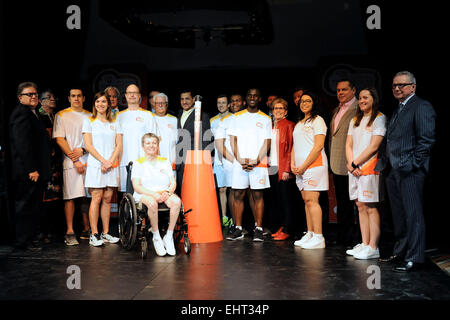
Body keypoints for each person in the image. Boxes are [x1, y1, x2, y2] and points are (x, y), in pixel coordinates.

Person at [377, 71, 436, 272]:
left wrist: (412, 164)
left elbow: (426, 140)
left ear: (413, 87)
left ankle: (415, 257)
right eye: (394, 85)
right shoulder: (399, 109)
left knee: (413, 214)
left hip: (409, 170)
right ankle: (401, 251)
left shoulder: (421, 106)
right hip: (393, 170)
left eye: (402, 85)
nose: (397, 88)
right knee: (399, 215)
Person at [345, 88, 386, 259]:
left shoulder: (379, 118)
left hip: (369, 168)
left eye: (365, 98)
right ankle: (364, 243)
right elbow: (348, 144)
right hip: (354, 170)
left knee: (370, 206)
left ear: (373, 99)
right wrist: (350, 164)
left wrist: (355, 162)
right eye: (360, 98)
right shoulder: (355, 120)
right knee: (360, 206)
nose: (361, 101)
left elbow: (374, 146)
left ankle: (373, 246)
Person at [9, 82, 51, 251]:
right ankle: (23, 241)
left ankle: (31, 238)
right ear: (20, 98)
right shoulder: (21, 113)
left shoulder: (33, 114)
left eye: (35, 93)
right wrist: (31, 169)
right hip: (27, 171)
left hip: (34, 170)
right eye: (29, 94)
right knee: (25, 206)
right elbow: (22, 144)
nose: (34, 96)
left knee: (33, 206)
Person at [226, 88, 271, 242]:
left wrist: (256, 160)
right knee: (238, 194)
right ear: (246, 99)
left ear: (259, 99)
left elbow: (267, 142)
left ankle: (258, 228)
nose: (252, 98)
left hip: (257, 163)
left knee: (257, 195)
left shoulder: (265, 118)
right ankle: (238, 229)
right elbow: (233, 140)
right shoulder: (237, 117)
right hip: (240, 163)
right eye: (249, 95)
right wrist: (239, 160)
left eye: (255, 96)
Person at [82, 92, 122, 247]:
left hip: (111, 166)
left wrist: (110, 162)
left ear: (108, 103)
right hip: (96, 165)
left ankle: (105, 233)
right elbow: (88, 145)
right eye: (98, 101)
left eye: (104, 101)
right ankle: (94, 234)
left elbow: (118, 145)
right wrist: (103, 161)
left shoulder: (115, 123)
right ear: (94, 103)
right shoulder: (89, 121)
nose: (101, 104)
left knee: (107, 199)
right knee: (97, 197)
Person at [131, 133, 182, 256]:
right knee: (152, 203)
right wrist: (153, 194)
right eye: (148, 143)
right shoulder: (138, 163)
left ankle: (168, 236)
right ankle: (156, 236)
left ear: (158, 145)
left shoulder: (165, 161)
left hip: (164, 192)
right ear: (143, 146)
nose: (151, 146)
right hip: (145, 193)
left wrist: (168, 192)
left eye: (154, 143)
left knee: (176, 202)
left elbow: (173, 182)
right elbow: (137, 186)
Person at [53, 87, 91, 246]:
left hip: (88, 159)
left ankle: (87, 229)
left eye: (79, 96)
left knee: (86, 196)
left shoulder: (90, 115)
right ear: (69, 98)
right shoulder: (61, 115)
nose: (76, 98)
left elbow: (93, 139)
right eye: (73, 96)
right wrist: (74, 159)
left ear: (83, 98)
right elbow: (60, 139)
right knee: (70, 196)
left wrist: (82, 151)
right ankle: (70, 231)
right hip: (70, 161)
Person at [292, 91, 329, 249]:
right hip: (300, 168)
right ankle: (310, 233)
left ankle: (319, 237)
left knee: (312, 201)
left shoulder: (318, 120)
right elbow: (295, 145)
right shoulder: (299, 123)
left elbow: (318, 145)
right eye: (302, 101)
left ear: (314, 103)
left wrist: (304, 165)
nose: (304, 104)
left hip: (314, 165)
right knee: (306, 201)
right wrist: (293, 164)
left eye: (308, 101)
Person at [329, 79, 359, 248]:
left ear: (353, 90)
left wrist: (354, 161)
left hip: (350, 163)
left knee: (351, 202)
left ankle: (350, 237)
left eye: (344, 90)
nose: (340, 92)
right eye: (338, 90)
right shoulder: (337, 109)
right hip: (336, 162)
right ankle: (342, 236)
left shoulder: (358, 109)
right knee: (342, 201)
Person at [117, 84, 159, 194]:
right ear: (125, 96)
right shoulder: (118, 116)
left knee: (142, 193)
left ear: (139, 96)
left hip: (143, 162)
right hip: (123, 161)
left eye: (134, 93)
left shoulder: (148, 115)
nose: (132, 95)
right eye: (129, 93)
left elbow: (154, 140)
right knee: (125, 194)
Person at [266, 98, 295, 241]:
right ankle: (278, 227)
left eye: (280, 108)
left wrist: (287, 169)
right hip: (271, 167)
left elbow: (290, 149)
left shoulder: (289, 125)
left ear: (286, 111)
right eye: (275, 108)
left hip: (283, 167)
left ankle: (287, 228)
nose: (277, 111)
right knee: (274, 199)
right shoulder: (269, 126)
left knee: (286, 200)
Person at [176, 89, 214, 193]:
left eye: (187, 99)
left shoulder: (202, 116)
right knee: (182, 190)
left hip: (195, 160)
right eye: (182, 99)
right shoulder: (178, 115)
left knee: (194, 191)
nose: (184, 102)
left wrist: (202, 160)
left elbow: (207, 140)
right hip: (180, 161)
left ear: (193, 100)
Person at [38, 90, 63, 242]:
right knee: (43, 199)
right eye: (49, 97)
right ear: (41, 101)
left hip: (56, 163)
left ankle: (53, 230)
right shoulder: (38, 116)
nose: (52, 99)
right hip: (43, 163)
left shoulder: (57, 116)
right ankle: (42, 231)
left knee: (55, 198)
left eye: (54, 97)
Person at [211, 94, 232, 227]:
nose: (221, 105)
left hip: (231, 159)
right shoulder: (212, 120)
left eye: (223, 103)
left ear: (228, 104)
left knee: (235, 189)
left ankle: (235, 218)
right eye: (219, 103)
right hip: (218, 160)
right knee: (222, 189)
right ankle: (224, 217)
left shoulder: (234, 118)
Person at [152, 93, 177, 177]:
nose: (160, 105)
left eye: (163, 103)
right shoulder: (149, 118)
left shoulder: (174, 120)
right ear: (154, 105)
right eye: (158, 103)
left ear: (166, 104)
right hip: (154, 162)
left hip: (171, 162)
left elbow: (178, 142)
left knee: (171, 186)